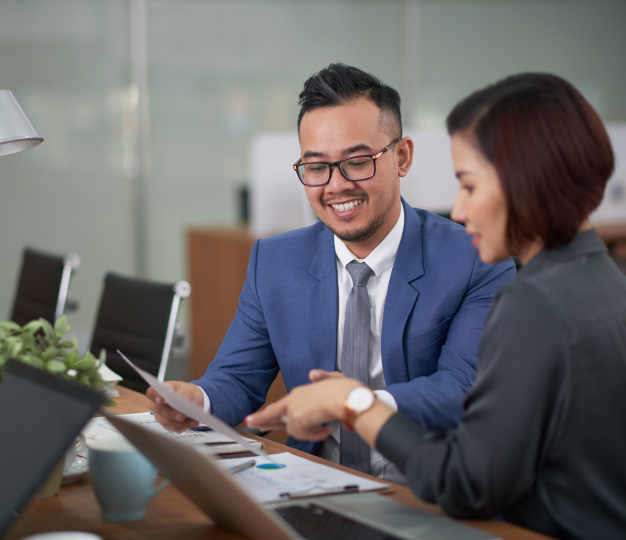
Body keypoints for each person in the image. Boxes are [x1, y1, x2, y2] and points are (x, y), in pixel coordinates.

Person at [246, 72, 626, 539]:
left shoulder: (532, 304)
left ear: (526, 179)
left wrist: (354, 401)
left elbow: (465, 483)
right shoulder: (604, 280)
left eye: (469, 185)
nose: (460, 211)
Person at [148, 64, 515, 481]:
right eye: (316, 167)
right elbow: (238, 377)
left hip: (426, 491)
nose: (335, 186)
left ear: (402, 157)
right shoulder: (275, 261)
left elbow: (462, 389)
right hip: (313, 482)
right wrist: (196, 398)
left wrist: (354, 403)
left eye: (357, 162)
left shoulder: (474, 259)